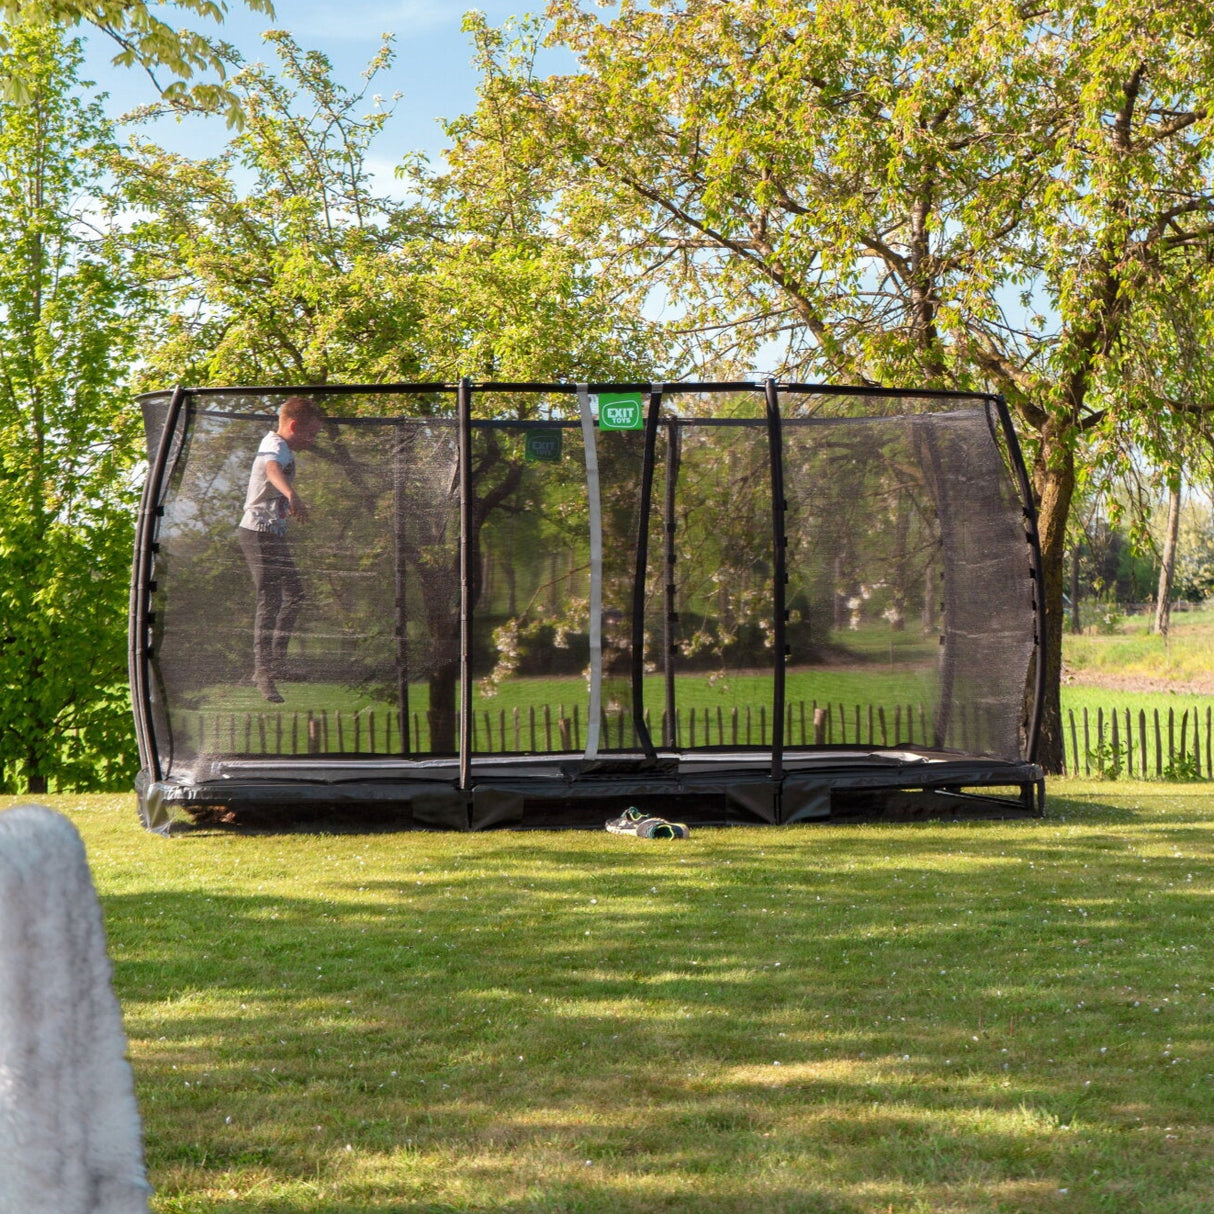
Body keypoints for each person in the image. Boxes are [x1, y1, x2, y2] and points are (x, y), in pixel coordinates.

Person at [237, 395, 324, 702]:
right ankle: (262, 671)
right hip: (257, 534)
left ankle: (278, 663)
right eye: (310, 434)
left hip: (273, 534)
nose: (312, 440)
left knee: (295, 594)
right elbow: (272, 469)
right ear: (294, 425)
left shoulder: (284, 447)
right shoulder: (274, 444)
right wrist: (291, 494)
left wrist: (288, 505)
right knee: (270, 599)